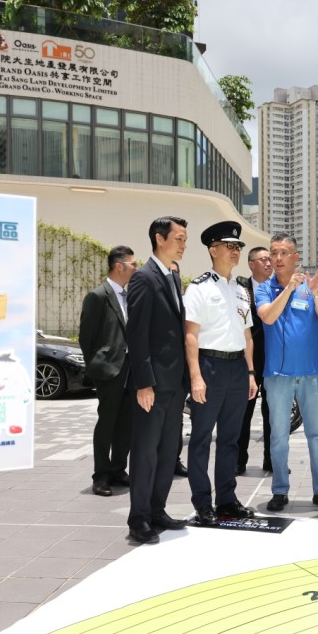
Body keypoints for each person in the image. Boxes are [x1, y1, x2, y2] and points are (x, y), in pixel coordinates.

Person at [255, 233, 318, 513]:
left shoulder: (310, 287)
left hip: (311, 373)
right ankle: (280, 490)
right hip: (278, 375)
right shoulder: (264, 288)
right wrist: (288, 289)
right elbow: (267, 316)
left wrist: (315, 293)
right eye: (273, 253)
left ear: (295, 258)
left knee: (316, 433)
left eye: (283, 253)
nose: (277, 258)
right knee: (278, 434)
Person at [183, 221, 257, 524]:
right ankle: (202, 503)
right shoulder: (199, 288)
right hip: (210, 367)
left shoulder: (240, 290)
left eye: (238, 246)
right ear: (213, 250)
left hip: (238, 368)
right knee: (201, 438)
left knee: (231, 439)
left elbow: (248, 335)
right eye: (229, 246)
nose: (235, 251)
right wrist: (196, 377)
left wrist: (251, 373)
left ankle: (227, 499)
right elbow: (191, 335)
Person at [125, 216, 190, 544]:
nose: (183, 243)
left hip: (174, 385)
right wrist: (144, 383)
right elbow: (136, 336)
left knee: (167, 452)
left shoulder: (171, 278)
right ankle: (138, 519)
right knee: (146, 453)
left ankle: (157, 510)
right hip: (152, 386)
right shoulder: (143, 278)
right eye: (178, 238)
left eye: (184, 238)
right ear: (159, 238)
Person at [78, 246, 137, 498]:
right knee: (107, 424)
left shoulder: (131, 295)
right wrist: (98, 364)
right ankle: (100, 475)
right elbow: (86, 337)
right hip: (109, 371)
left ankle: (117, 469)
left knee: (126, 424)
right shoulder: (98, 296)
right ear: (119, 266)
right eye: (133, 264)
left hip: (131, 370)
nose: (136, 268)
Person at [237, 246, 273, 474]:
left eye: (270, 260)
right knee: (243, 415)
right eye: (263, 260)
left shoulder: (278, 289)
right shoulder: (240, 289)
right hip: (247, 362)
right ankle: (238, 461)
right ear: (251, 264)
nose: (269, 264)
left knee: (273, 415)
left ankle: (271, 461)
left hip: (272, 361)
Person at [168, 260, 189, 479]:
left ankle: (175, 460)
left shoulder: (186, 302)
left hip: (181, 372)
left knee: (178, 421)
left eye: (176, 273)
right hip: (160, 373)